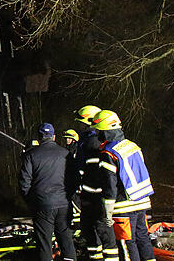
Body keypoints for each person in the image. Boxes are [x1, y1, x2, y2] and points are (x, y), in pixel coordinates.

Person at [92, 110, 156, 261]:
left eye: (98, 130)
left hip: (124, 207)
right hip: (142, 202)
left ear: (105, 131)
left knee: (127, 243)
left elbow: (110, 186)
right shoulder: (133, 146)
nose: (97, 134)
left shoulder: (108, 153)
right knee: (143, 239)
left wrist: (107, 213)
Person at [18, 123, 77, 261]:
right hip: (63, 204)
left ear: (39, 137)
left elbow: (24, 182)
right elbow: (74, 179)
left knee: (44, 244)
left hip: (42, 205)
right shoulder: (66, 154)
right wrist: (68, 196)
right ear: (54, 137)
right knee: (67, 242)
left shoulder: (31, 155)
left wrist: (31, 200)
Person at [73, 105, 117, 261]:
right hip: (88, 197)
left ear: (89, 123)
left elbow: (93, 173)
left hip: (95, 198)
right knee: (89, 233)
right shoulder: (87, 142)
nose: (78, 126)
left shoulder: (93, 143)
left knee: (105, 235)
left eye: (81, 123)